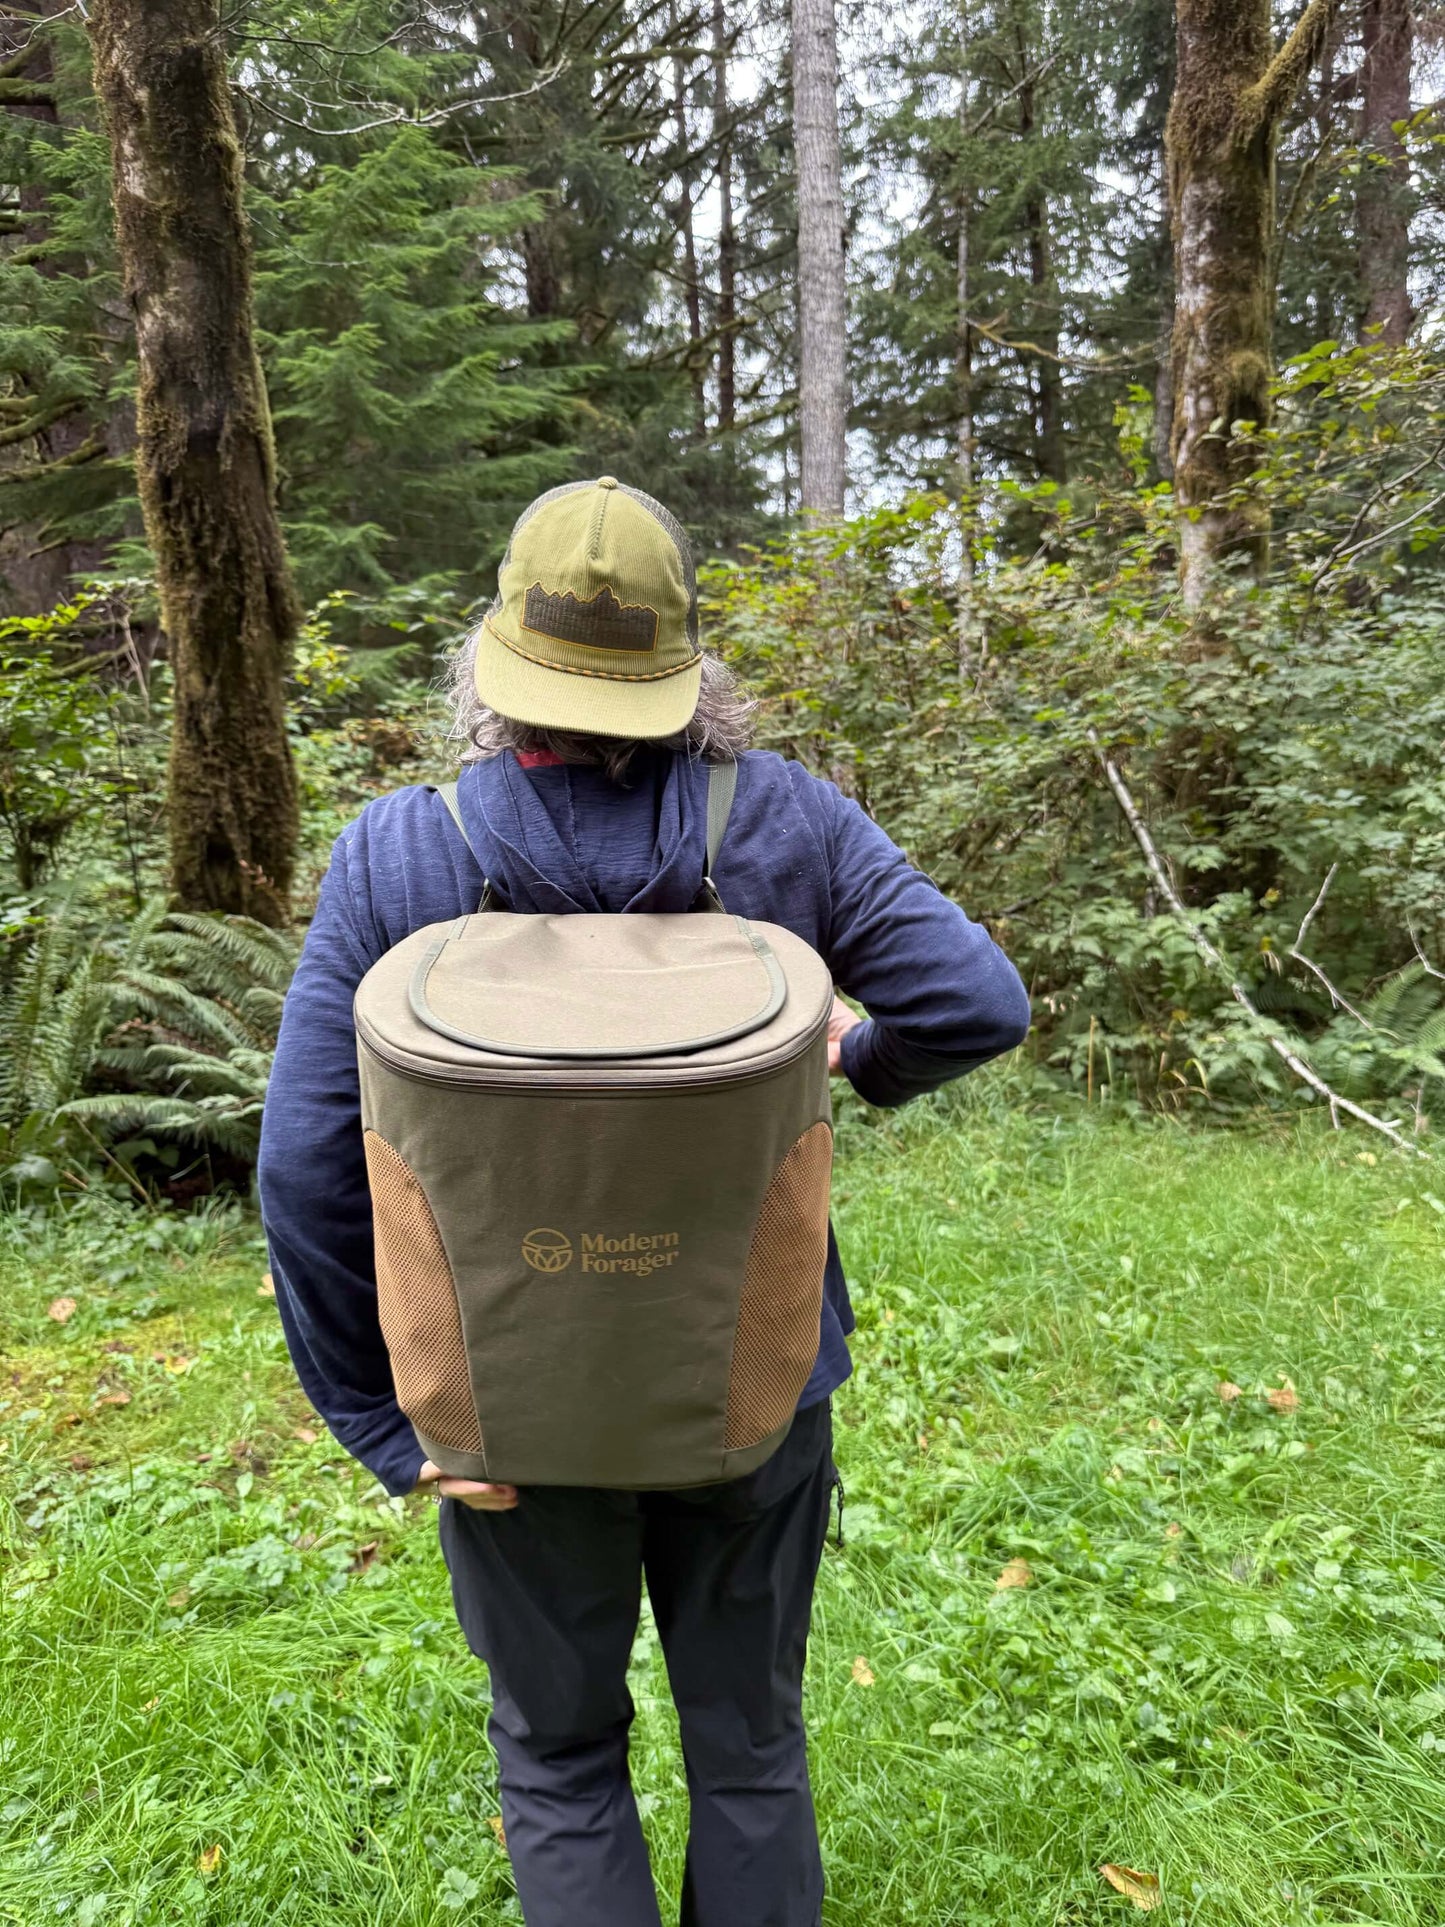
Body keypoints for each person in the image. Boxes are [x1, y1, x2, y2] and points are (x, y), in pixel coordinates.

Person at [258, 476, 1031, 1927]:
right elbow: (976, 1003)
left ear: (497, 669)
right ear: (686, 669)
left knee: (555, 1762)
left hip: (504, 1409)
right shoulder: (785, 822)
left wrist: (378, 1421)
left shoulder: (400, 851)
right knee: (746, 1756)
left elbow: (304, 1169)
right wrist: (857, 1055)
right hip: (748, 1382)